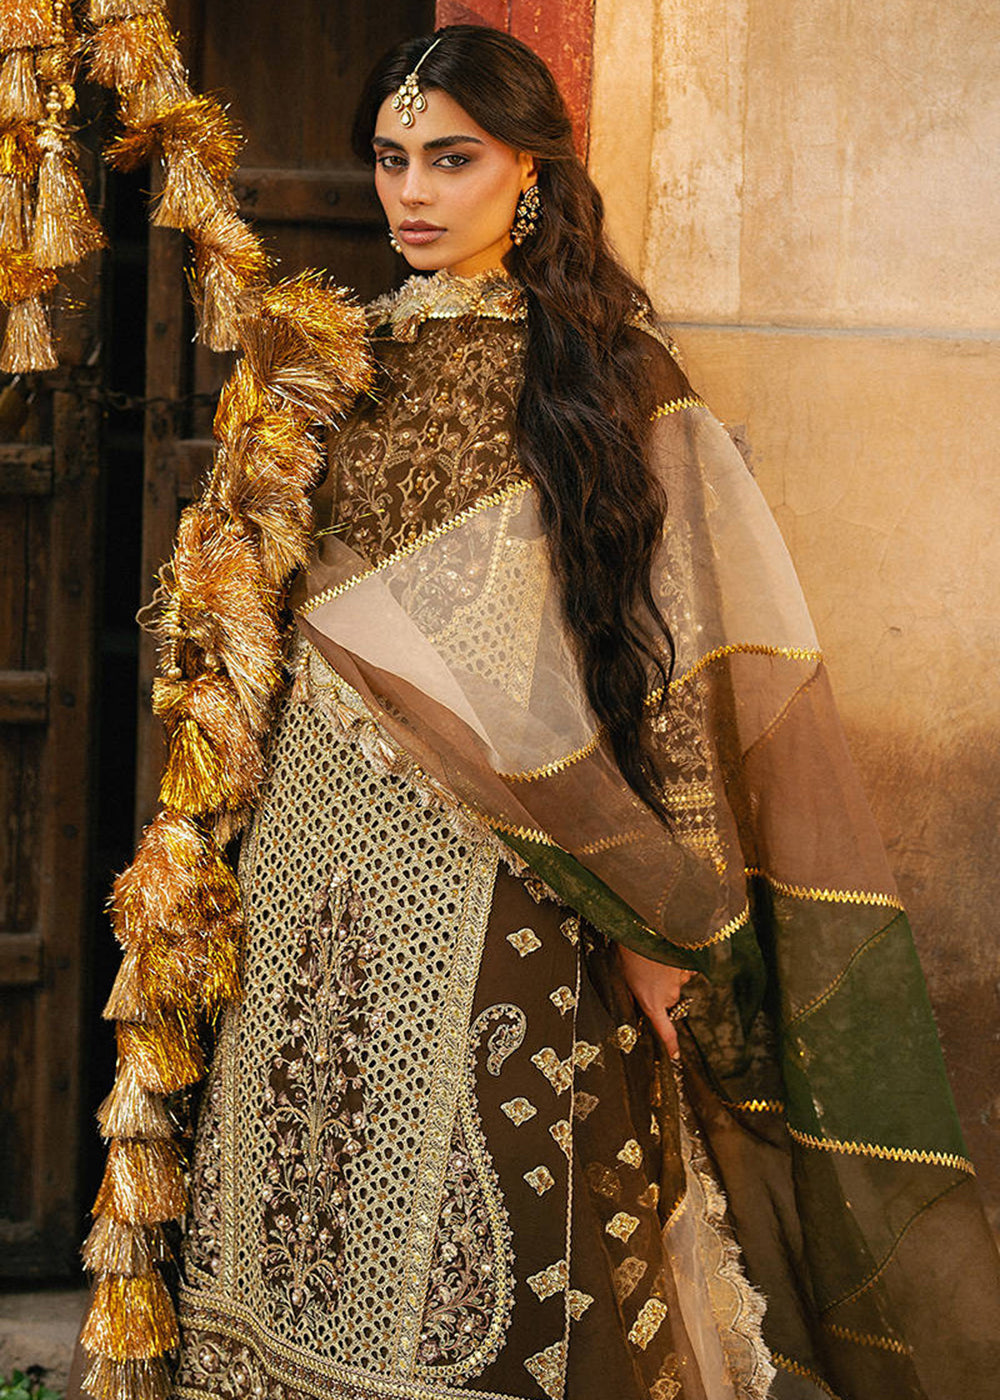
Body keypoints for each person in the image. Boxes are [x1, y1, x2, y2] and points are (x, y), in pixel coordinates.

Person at [74, 23, 1000, 1400]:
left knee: (513, 1230)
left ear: (532, 171)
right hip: (308, 861)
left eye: (452, 159)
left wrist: (664, 913)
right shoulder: (327, 366)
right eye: (391, 159)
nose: (412, 194)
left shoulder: (608, 378)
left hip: (517, 869)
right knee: (298, 1180)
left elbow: (668, 660)